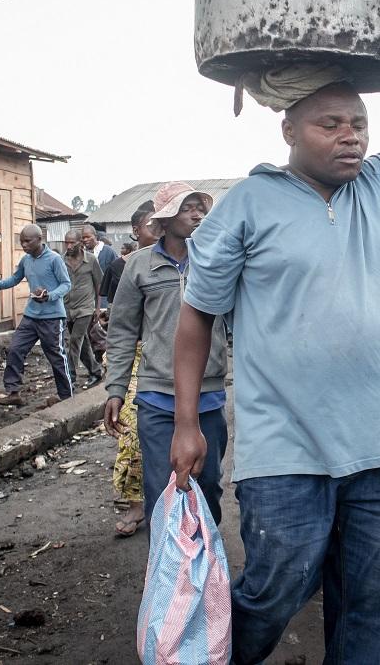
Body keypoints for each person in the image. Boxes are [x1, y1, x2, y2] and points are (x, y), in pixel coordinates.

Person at [171, 0, 380, 664]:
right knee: (276, 589)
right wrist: (188, 420)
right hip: (285, 452)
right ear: (288, 130)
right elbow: (196, 315)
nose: (351, 136)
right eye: (330, 123)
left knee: (375, 599)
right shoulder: (247, 205)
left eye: (359, 122)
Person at [104, 182, 227, 537]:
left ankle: (205, 565)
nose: (196, 213)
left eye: (199, 207)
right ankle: (169, 577)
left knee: (210, 486)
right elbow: (123, 330)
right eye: (186, 207)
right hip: (157, 396)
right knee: (163, 488)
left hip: (208, 393)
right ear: (166, 218)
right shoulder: (140, 265)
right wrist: (115, 388)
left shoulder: (215, 260)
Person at [105, 203, 158, 537]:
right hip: (137, 357)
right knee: (132, 433)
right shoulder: (120, 267)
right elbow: (120, 324)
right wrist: (116, 385)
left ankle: (173, 503)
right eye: (154, 224)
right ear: (136, 229)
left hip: (169, 357)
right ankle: (136, 504)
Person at [0, 225, 72, 406]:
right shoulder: (26, 260)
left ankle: (66, 397)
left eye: (27, 241)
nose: (23, 245)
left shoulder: (54, 259)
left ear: (39, 239)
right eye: (21, 241)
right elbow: (15, 279)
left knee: (56, 356)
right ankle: (13, 392)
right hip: (31, 316)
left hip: (52, 317)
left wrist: (49, 295)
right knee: (15, 349)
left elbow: (66, 284)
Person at [62, 229, 103, 388]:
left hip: (85, 308)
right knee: (83, 342)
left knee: (74, 341)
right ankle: (96, 372)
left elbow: (99, 284)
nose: (69, 246)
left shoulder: (91, 260)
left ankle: (70, 378)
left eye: (72, 242)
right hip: (67, 308)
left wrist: (98, 308)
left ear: (80, 243)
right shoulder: (61, 260)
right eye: (67, 242)